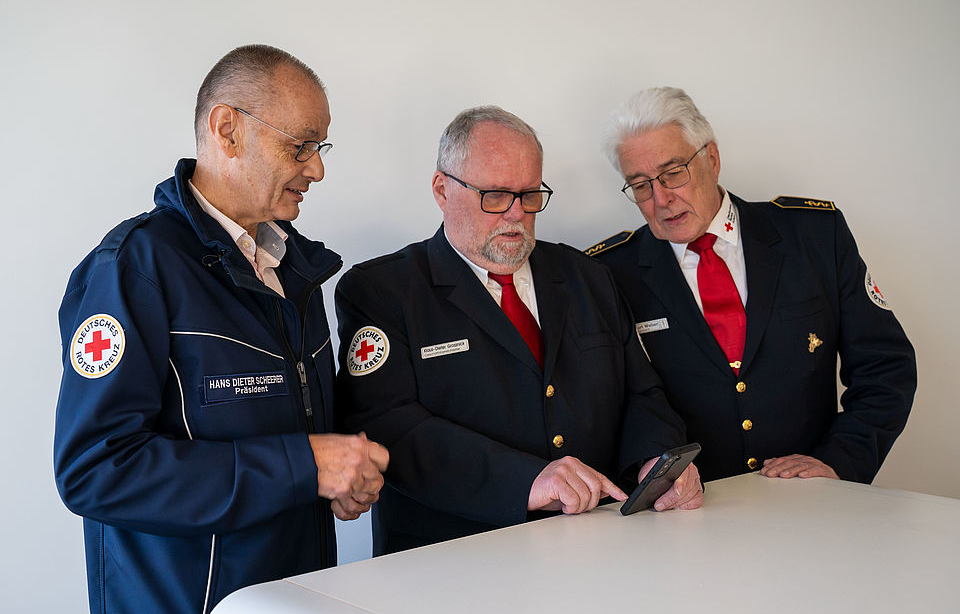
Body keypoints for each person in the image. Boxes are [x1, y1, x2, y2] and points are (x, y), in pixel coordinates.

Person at [54, 45, 389, 614]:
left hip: (294, 598)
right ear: (228, 130)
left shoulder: (295, 268)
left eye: (320, 147)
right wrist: (304, 465)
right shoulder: (133, 269)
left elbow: (295, 433)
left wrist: (342, 472)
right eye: (300, 145)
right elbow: (96, 470)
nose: (317, 169)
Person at [334, 106, 702, 556]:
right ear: (442, 190)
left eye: (529, 195)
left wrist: (657, 461)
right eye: (495, 195)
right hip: (451, 558)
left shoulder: (586, 276)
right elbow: (387, 425)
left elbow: (641, 392)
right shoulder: (384, 289)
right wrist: (525, 480)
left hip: (597, 546)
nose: (516, 213)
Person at [588, 87, 916, 484]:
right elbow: (613, 406)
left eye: (673, 173)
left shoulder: (812, 236)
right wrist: (654, 473)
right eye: (641, 185)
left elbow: (885, 366)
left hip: (811, 499)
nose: (661, 199)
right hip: (690, 508)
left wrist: (840, 461)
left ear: (711, 159)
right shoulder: (610, 272)